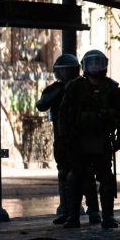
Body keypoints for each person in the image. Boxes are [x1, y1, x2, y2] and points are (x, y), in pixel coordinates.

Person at [58, 50, 120, 229]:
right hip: (78, 140)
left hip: (102, 140)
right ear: (85, 66)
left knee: (106, 178)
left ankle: (108, 216)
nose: (95, 67)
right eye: (91, 63)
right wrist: (65, 138)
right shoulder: (75, 87)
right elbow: (63, 115)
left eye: (99, 63)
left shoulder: (112, 88)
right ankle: (73, 216)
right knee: (75, 177)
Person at [36, 54, 100, 225]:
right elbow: (41, 104)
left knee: (86, 175)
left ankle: (94, 211)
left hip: (81, 138)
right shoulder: (56, 88)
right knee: (64, 174)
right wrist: (59, 91)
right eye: (60, 70)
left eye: (66, 70)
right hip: (62, 139)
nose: (63, 74)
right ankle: (67, 210)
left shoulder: (84, 86)